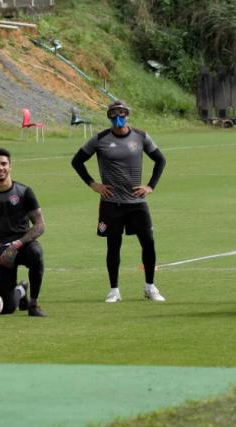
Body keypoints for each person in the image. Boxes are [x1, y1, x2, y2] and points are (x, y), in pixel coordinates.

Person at [71, 100, 167, 303]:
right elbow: (77, 161)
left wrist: (150, 186)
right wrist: (93, 184)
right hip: (111, 202)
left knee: (148, 243)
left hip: (136, 202)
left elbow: (160, 159)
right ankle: (114, 290)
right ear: (109, 117)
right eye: (113, 114)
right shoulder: (100, 139)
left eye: (121, 113)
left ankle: (150, 287)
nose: (117, 117)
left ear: (127, 114)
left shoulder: (140, 136)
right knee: (113, 246)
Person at [0, 148, 47, 317]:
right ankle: (21, 290)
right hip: (1, 254)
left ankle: (34, 304)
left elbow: (40, 225)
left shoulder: (24, 192)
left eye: (4, 164)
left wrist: (17, 244)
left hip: (23, 245)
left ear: (10, 166)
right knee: (6, 309)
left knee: (36, 253)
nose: (0, 168)